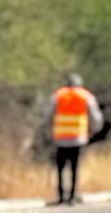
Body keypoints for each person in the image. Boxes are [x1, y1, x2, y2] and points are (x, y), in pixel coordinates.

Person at [43, 73, 104, 204]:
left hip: (61, 137)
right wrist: (95, 129)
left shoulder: (58, 95)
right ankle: (72, 195)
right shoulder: (85, 96)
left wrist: (48, 129)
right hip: (78, 137)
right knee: (75, 167)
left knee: (60, 168)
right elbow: (96, 117)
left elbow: (47, 115)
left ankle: (60, 195)